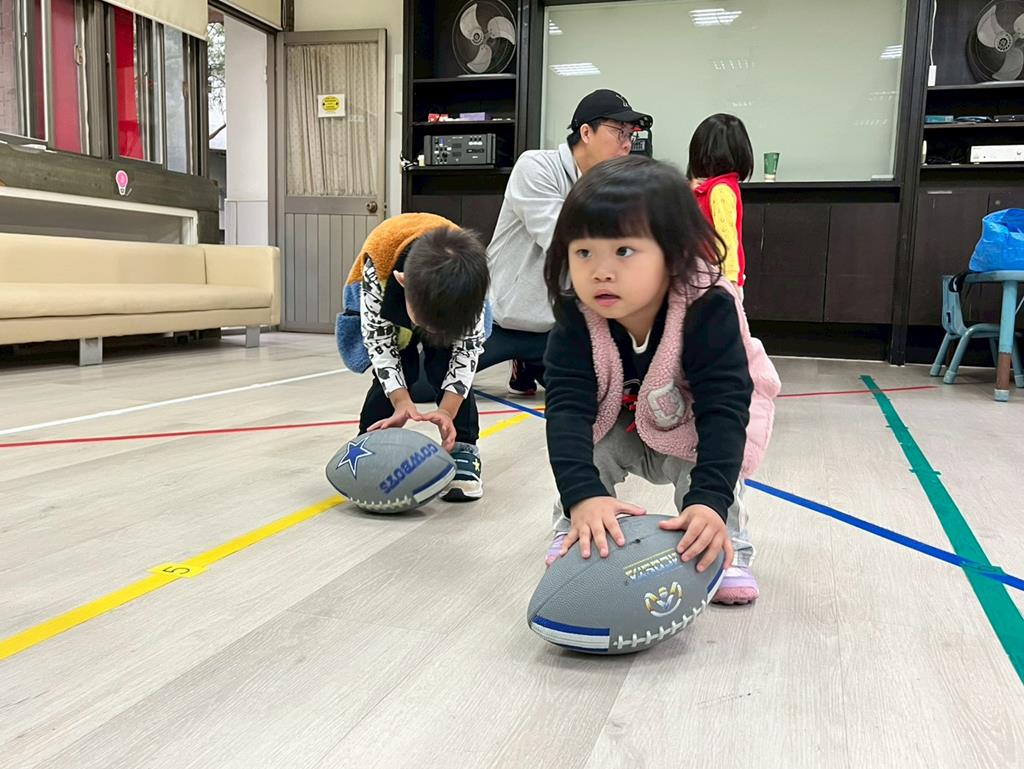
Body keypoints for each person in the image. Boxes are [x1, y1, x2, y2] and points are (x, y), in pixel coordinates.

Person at [541, 156, 780, 604]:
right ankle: (575, 528)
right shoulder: (577, 316)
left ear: (674, 255)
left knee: (710, 471)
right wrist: (583, 496)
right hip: (623, 423)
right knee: (587, 449)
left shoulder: (707, 307)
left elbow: (724, 409)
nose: (600, 271)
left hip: (689, 426)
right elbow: (567, 409)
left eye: (623, 251)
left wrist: (708, 501)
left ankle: (725, 545)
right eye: (584, 252)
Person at [481, 89, 653, 396]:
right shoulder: (536, 166)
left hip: (553, 329)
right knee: (426, 386)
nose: (627, 143)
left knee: (597, 392)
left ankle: (529, 365)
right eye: (619, 132)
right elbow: (564, 241)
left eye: (630, 135)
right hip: (497, 320)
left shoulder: (611, 187)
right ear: (586, 132)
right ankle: (521, 359)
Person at [336, 213, 489, 501]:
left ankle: (463, 448)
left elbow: (467, 352)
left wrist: (447, 411)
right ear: (403, 282)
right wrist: (401, 402)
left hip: (443, 305)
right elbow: (380, 344)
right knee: (398, 368)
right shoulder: (378, 272)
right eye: (426, 323)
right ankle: (369, 442)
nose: (431, 331)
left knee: (445, 362)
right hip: (388, 303)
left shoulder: (471, 288)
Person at [687, 113, 754, 298]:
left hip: (717, 280)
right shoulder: (711, 188)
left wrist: (730, 280)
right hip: (706, 276)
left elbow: (726, 237)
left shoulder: (720, 190)